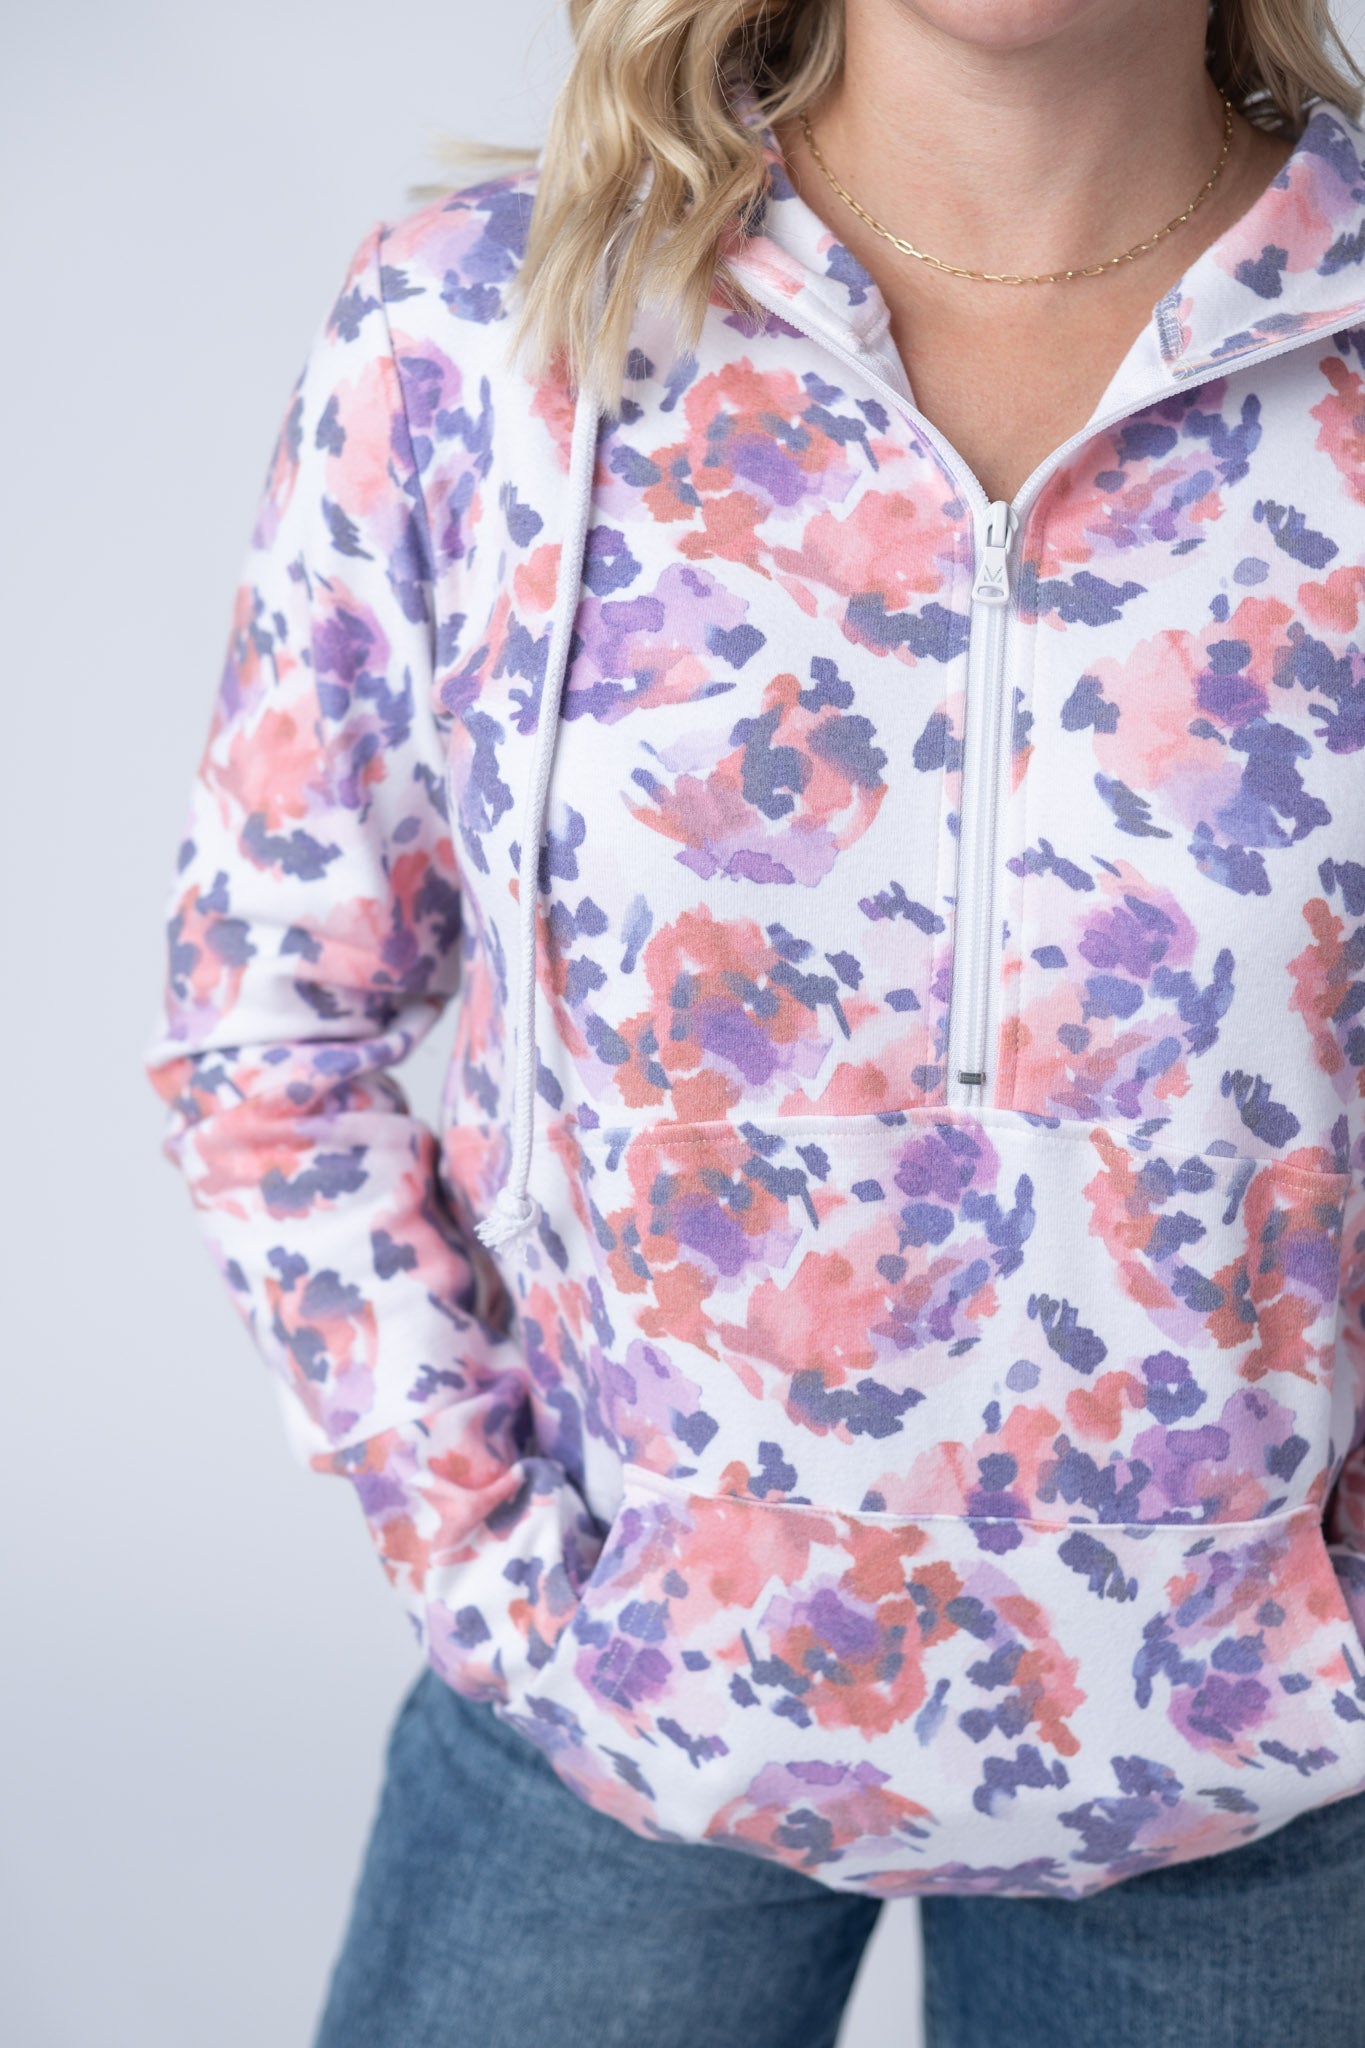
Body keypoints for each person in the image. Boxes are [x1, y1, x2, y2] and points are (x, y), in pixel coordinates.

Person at [145, 0, 1365, 2041]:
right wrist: (496, 1573)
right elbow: (270, 1022)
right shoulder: (478, 331)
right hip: (601, 1733)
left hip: (1275, 1781)